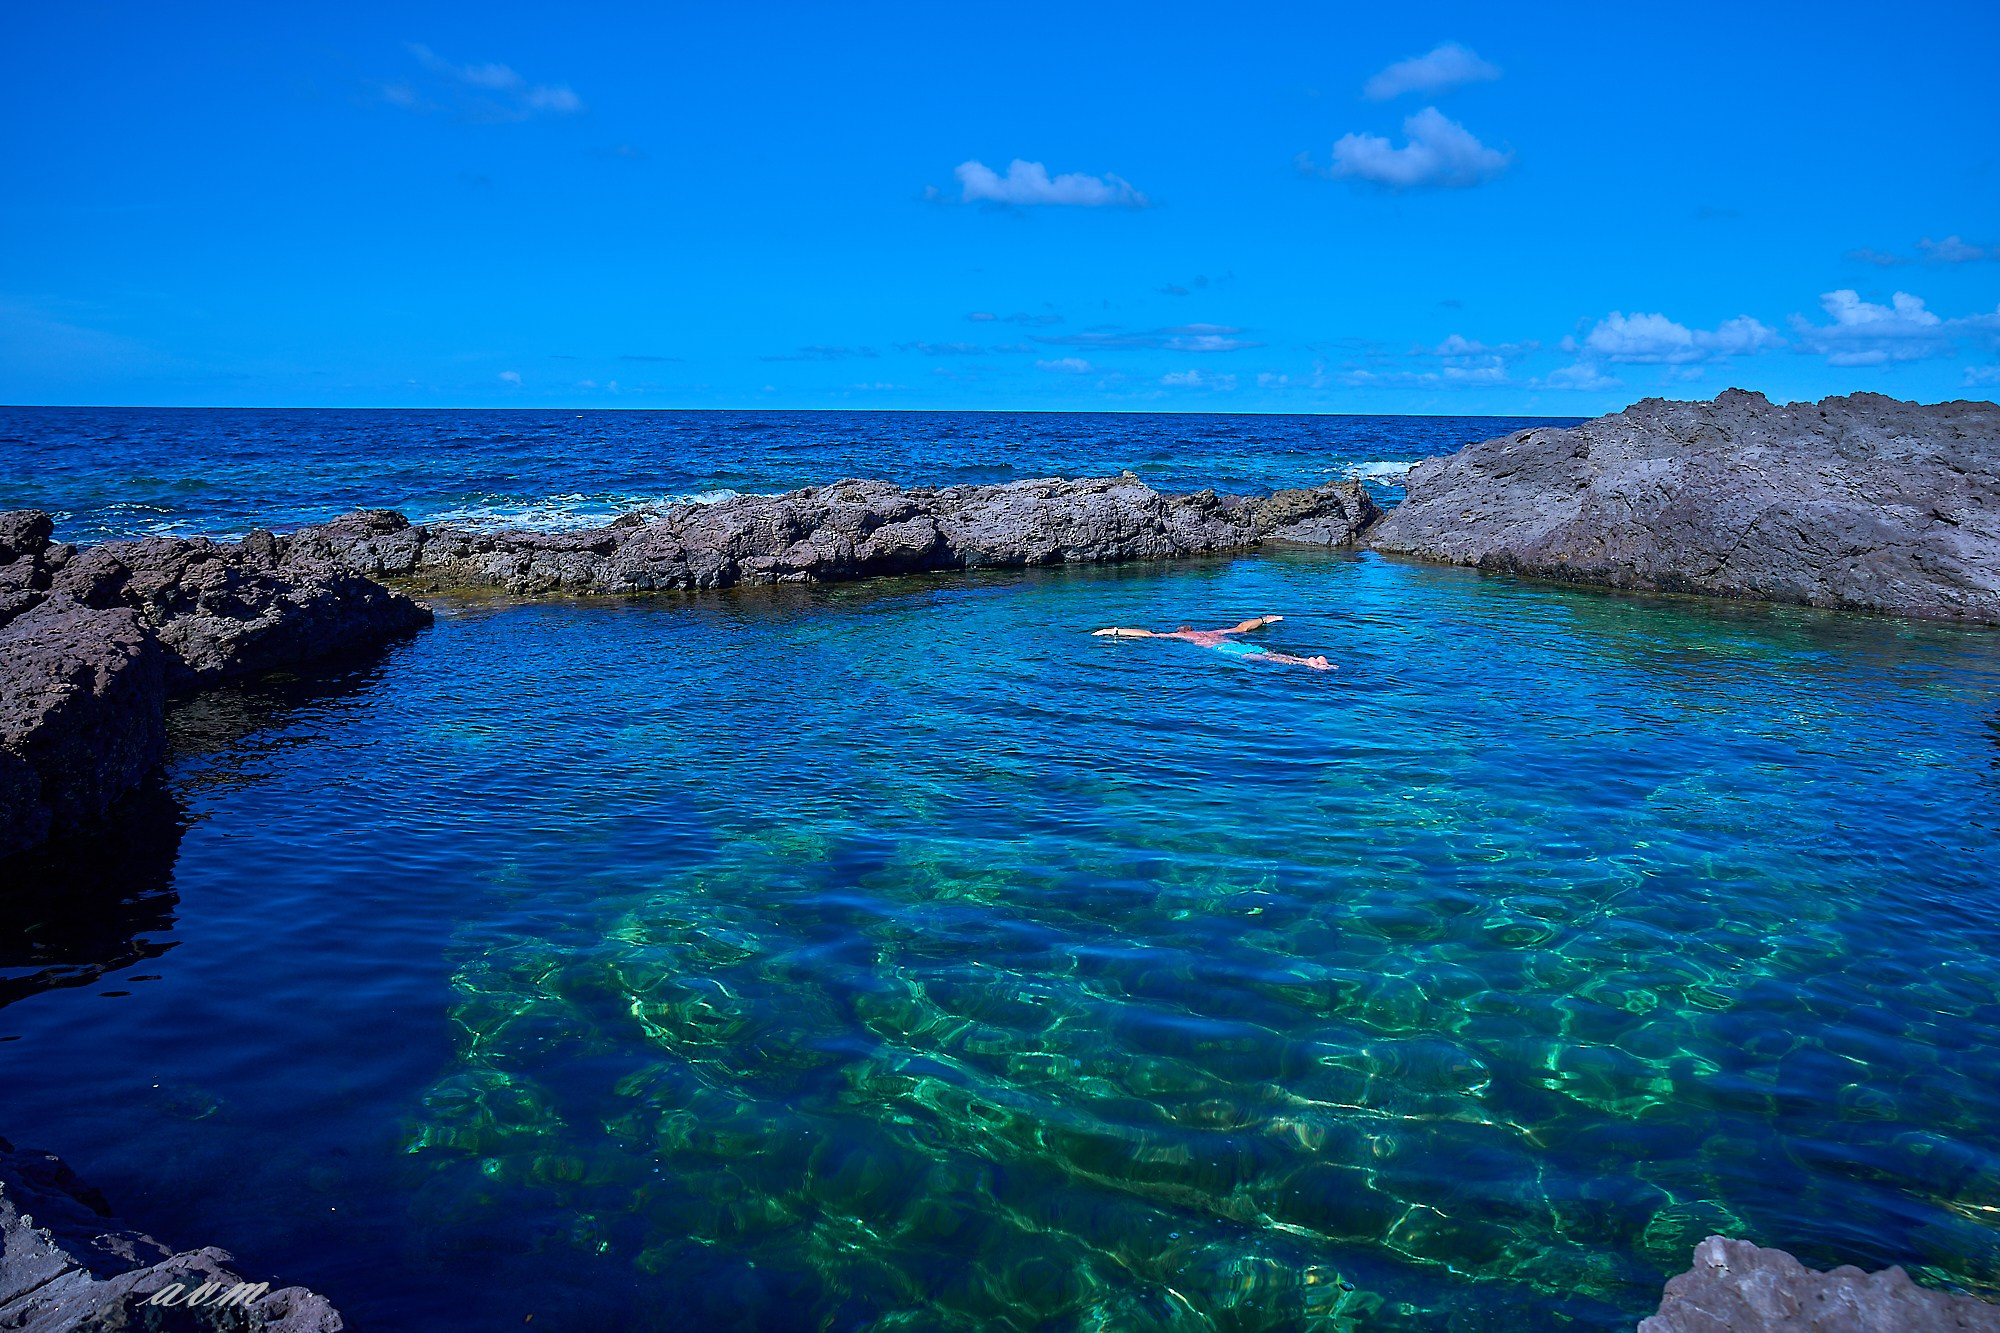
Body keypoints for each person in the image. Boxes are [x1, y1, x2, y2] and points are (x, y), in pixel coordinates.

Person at [1090, 614, 1333, 670]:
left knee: (1261, 658)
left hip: (1224, 650)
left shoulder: (1181, 636)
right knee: (1265, 652)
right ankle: (1305, 660)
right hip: (1236, 642)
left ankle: (1306, 664)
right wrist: (1265, 619)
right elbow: (1242, 627)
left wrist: (1115, 630)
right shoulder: (1215, 630)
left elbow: (1148, 634)